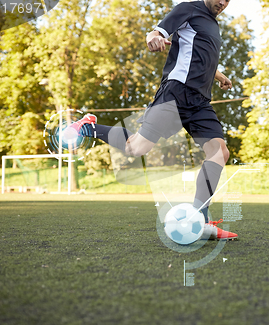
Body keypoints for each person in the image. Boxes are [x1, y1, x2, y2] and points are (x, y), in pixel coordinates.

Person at [67, 0, 237, 240]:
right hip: (176, 93)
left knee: (220, 152)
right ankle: (88, 127)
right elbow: (157, 32)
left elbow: (199, 55)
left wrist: (219, 75)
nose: (223, 2)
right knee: (136, 148)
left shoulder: (212, 23)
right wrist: (154, 37)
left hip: (200, 102)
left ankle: (200, 220)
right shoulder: (189, 8)